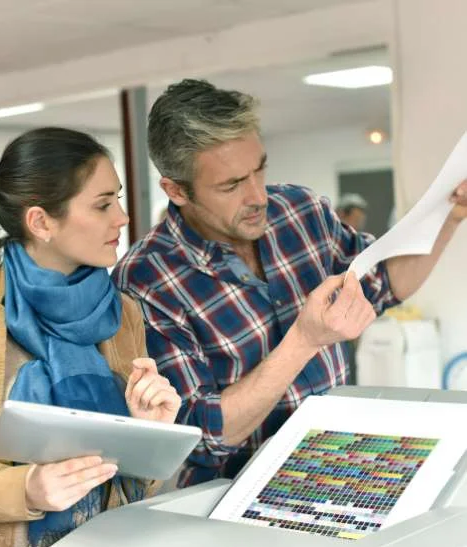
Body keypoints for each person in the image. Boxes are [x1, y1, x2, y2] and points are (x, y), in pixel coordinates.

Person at [112, 78, 467, 487]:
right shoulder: (146, 280)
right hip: (233, 494)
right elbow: (203, 436)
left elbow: (385, 284)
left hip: (341, 464)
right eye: (231, 185)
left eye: (259, 169)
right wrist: (304, 340)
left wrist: (451, 217)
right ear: (176, 191)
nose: (258, 196)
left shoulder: (300, 211)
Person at [0, 127, 181, 547]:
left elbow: (134, 485)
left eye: (118, 198)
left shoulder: (123, 312)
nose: (122, 218)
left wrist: (148, 434)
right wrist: (24, 488)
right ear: (40, 221)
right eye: (102, 204)